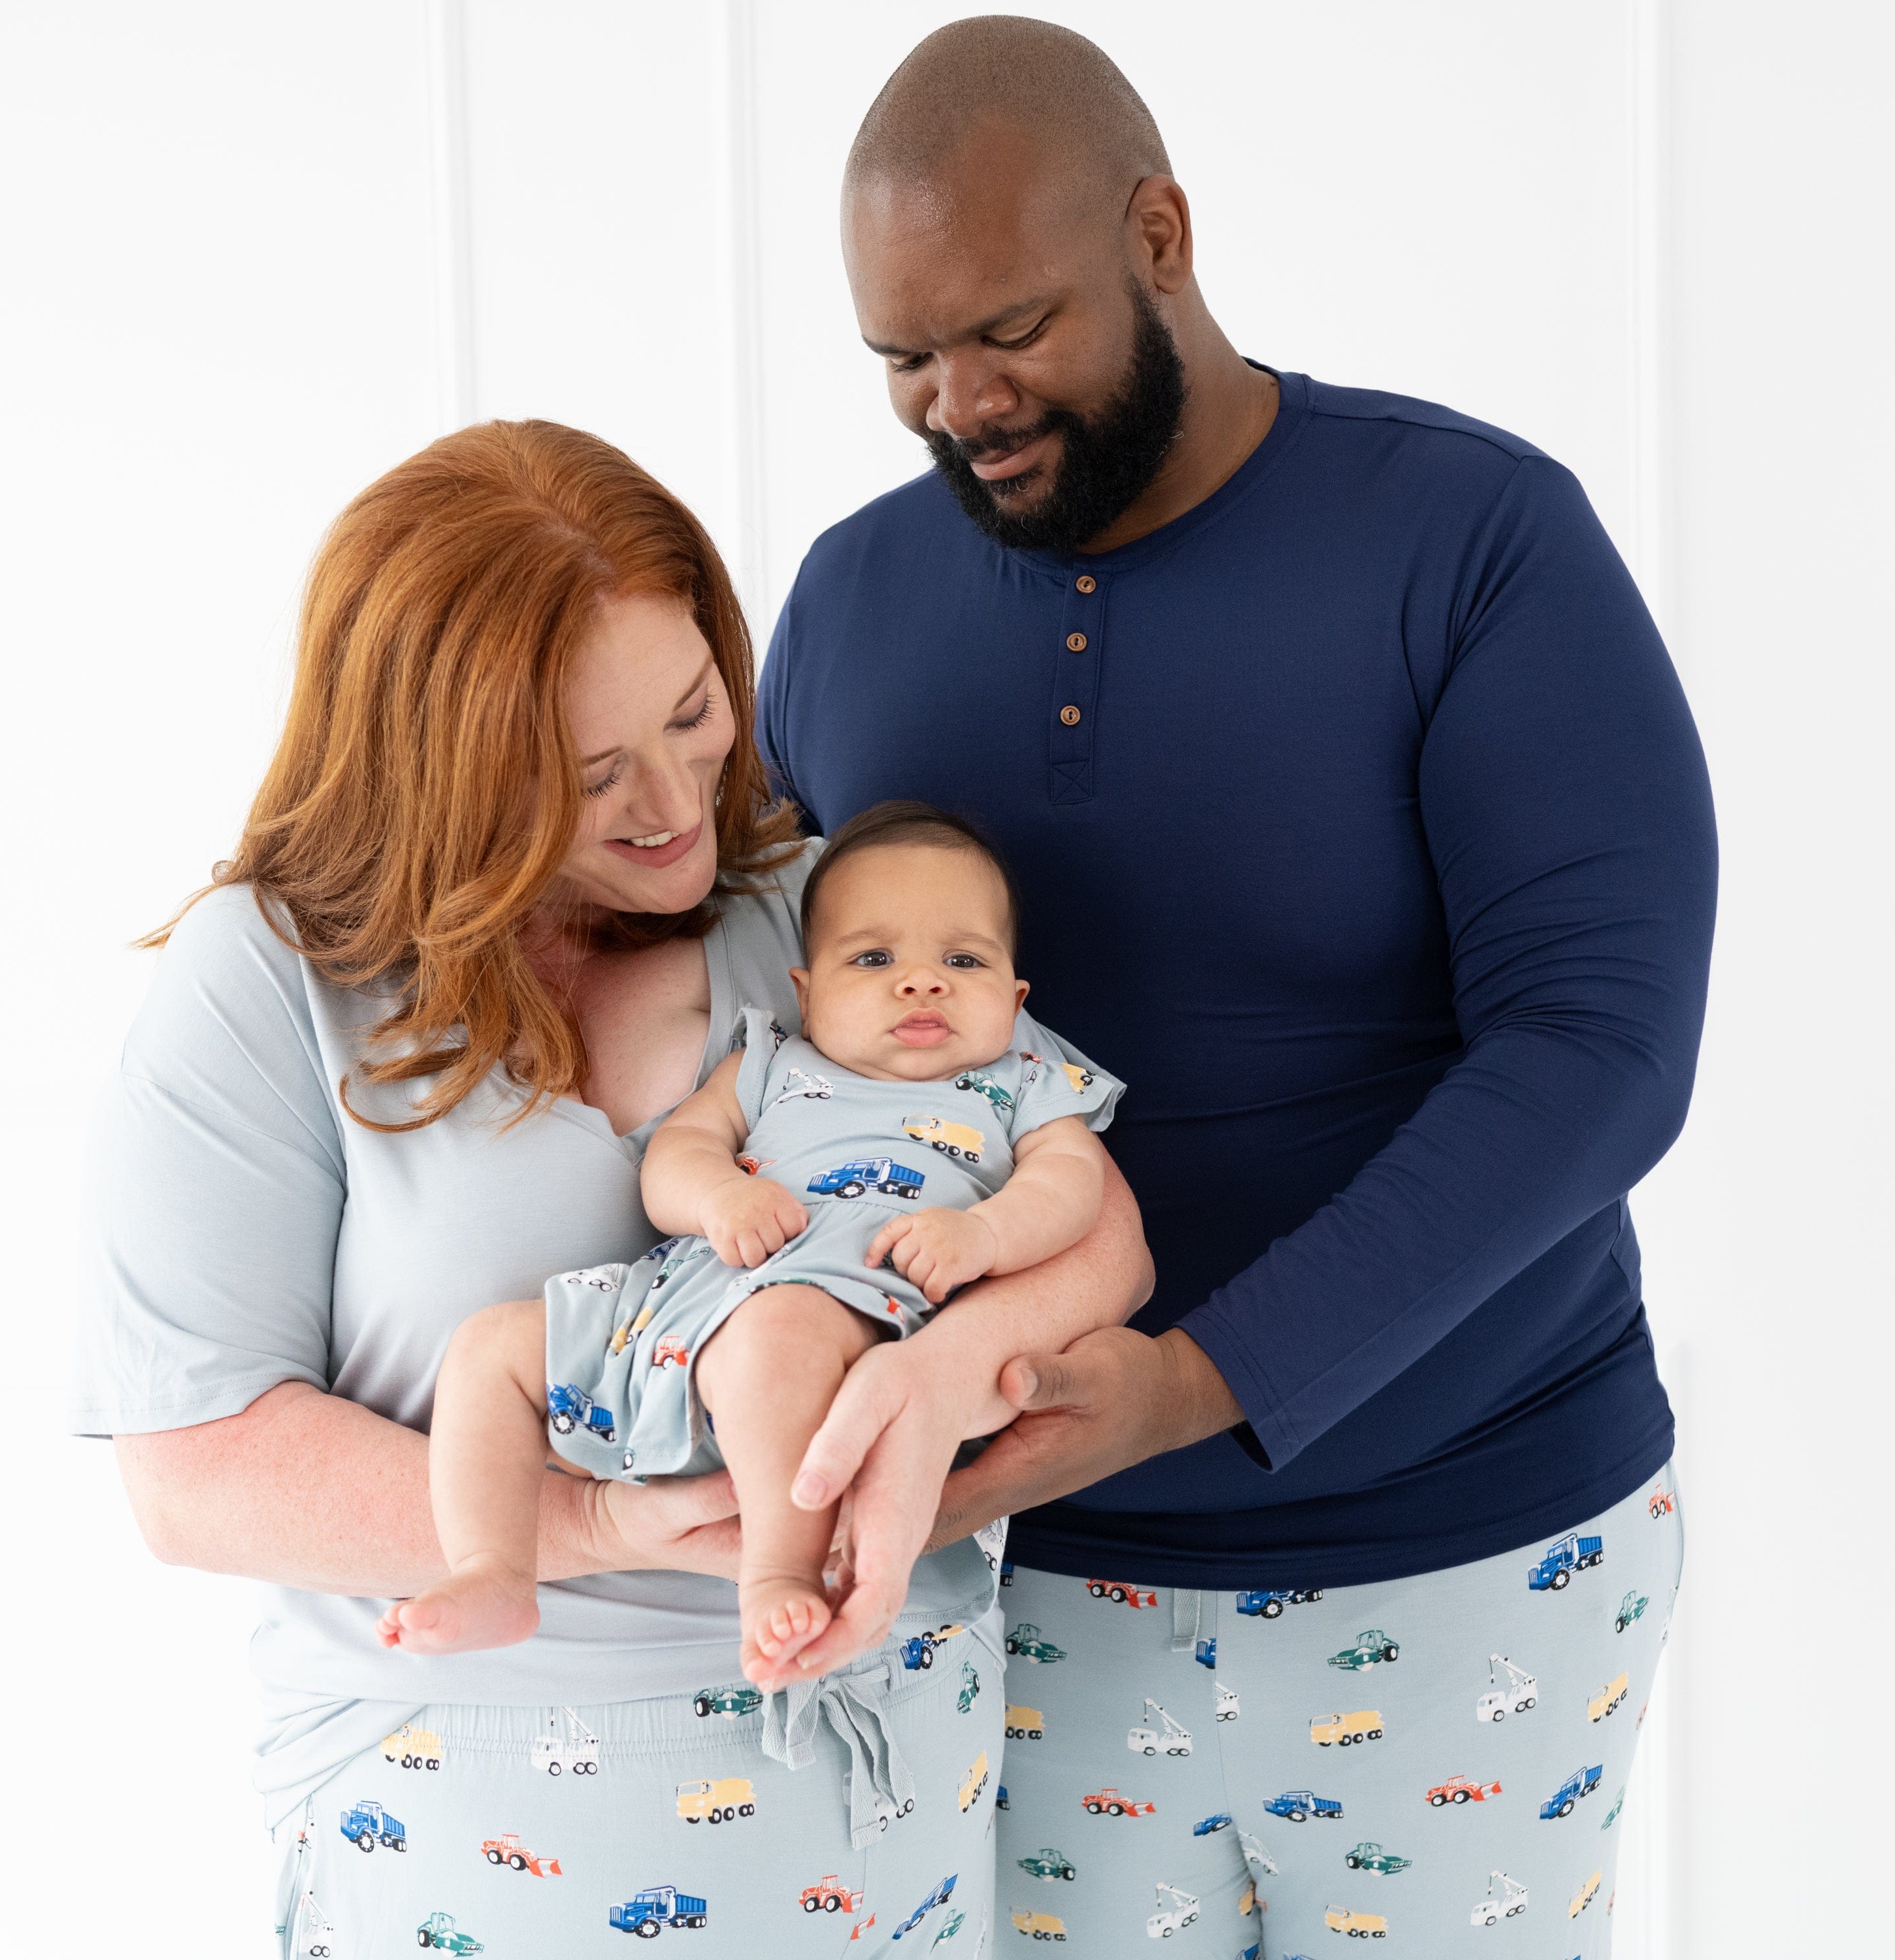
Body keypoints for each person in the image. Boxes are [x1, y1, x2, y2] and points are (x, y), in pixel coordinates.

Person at [756, 20, 1715, 1955]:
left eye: (1008, 328)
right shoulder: (849, 602)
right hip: (1013, 1597)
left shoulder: (1473, 537)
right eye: (900, 359)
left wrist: (1200, 1381)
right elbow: (762, 1049)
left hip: (1471, 1562)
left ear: (1164, 233)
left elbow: (1602, 1050)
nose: (956, 402)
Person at [73, 419, 1152, 1955]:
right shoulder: (270, 981)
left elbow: (1095, 1217)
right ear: (435, 774)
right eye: (586, 774)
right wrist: (584, 1528)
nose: (672, 804)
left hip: (866, 1800)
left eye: (695, 713)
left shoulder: (824, 920)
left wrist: (953, 1371)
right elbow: (191, 1471)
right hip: (464, 1817)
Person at [382, 801, 1123, 1684]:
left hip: (851, 1310)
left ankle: (778, 1571)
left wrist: (985, 1233)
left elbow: (1070, 1185)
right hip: (681, 1307)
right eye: (874, 958)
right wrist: (719, 1196)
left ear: (1014, 998)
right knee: (489, 1349)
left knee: (777, 1338)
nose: (922, 982)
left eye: (962, 960)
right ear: (808, 990)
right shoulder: (772, 1059)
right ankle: (495, 1567)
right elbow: (677, 1156)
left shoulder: (1025, 1081)